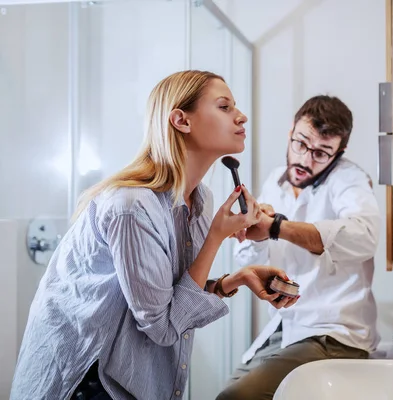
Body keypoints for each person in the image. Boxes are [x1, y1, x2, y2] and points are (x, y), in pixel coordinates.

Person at [10, 70, 297, 400]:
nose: (241, 115)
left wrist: (237, 279)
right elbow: (162, 326)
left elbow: (167, 293)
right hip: (86, 384)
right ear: (181, 120)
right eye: (224, 106)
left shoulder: (200, 201)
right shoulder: (132, 206)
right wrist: (217, 236)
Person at [217, 95, 381, 400]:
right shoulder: (274, 181)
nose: (306, 160)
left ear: (339, 153)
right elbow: (246, 256)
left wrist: (277, 227)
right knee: (225, 393)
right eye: (301, 144)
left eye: (321, 153)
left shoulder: (350, 179)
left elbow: (365, 236)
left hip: (333, 335)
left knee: (236, 399)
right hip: (283, 329)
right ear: (291, 130)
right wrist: (253, 232)